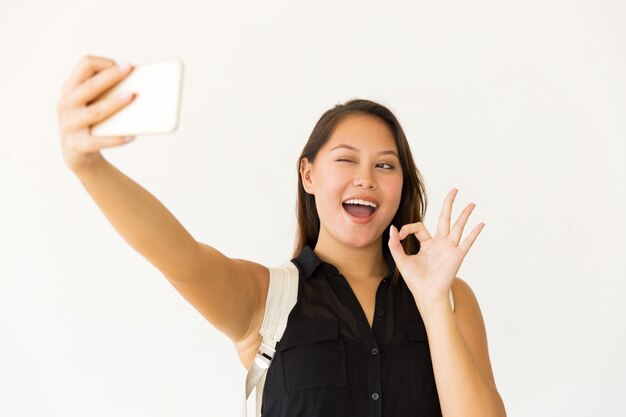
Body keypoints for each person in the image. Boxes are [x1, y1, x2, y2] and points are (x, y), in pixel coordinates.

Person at [56, 55, 507, 417]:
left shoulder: (450, 299)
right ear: (308, 174)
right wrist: (88, 166)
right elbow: (181, 257)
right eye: (346, 160)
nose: (366, 179)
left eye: (385, 165)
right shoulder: (265, 299)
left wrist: (432, 304)